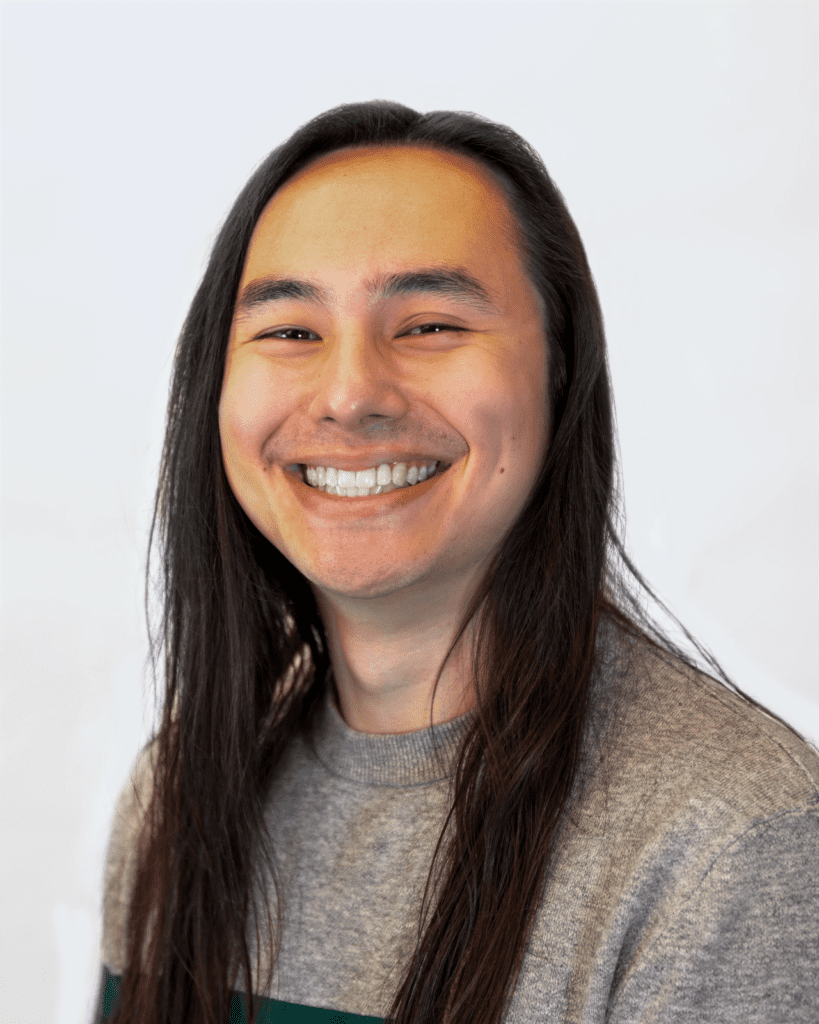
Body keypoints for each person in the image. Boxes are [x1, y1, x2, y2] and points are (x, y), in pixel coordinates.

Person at [94, 100, 819, 1024]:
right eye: (290, 331)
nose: (350, 393)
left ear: (560, 369)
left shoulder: (731, 844)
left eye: (430, 325)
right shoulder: (180, 796)